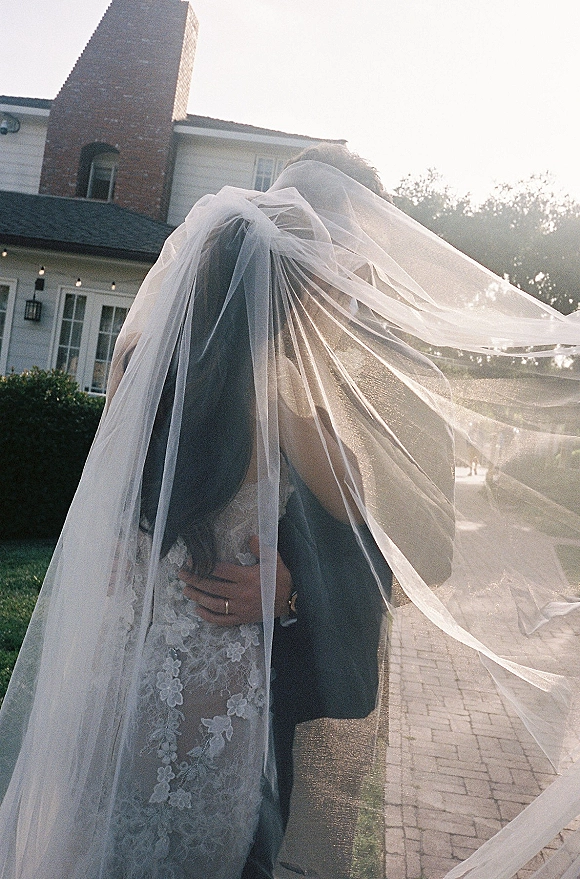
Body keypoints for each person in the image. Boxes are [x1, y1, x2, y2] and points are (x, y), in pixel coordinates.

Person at [1, 148, 580, 879]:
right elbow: (116, 492)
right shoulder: (215, 369)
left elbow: (422, 556)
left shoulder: (394, 381)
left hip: (298, 694)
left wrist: (297, 584)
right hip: (174, 690)